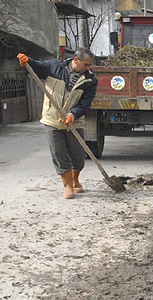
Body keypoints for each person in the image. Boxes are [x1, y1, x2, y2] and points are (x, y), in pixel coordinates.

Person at [17, 48, 97, 199]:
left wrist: (73, 114)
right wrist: (27, 60)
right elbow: (38, 67)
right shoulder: (55, 67)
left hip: (74, 121)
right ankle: (67, 186)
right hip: (52, 119)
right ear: (75, 59)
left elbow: (86, 103)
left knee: (78, 155)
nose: (88, 68)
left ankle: (75, 180)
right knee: (59, 154)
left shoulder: (90, 80)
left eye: (89, 65)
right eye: (86, 64)